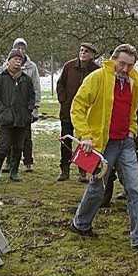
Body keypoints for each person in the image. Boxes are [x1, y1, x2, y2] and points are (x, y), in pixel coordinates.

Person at [68, 44, 138, 254]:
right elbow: (77, 106)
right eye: (122, 64)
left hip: (125, 142)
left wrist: (132, 130)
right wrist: (86, 135)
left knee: (134, 189)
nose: (125, 69)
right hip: (103, 143)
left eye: (130, 65)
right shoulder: (97, 77)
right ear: (113, 59)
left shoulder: (134, 80)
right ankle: (80, 224)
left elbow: (133, 110)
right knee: (97, 188)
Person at [0, 49, 36, 184]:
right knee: (3, 146)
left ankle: (14, 172)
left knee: (19, 146)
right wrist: (3, 111)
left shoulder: (26, 79)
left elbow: (32, 96)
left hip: (22, 119)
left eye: (20, 60)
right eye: (15, 59)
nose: (18, 62)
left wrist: (29, 110)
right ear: (8, 61)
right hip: (5, 119)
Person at [56, 43, 99, 181]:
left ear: (92, 54)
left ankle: (83, 170)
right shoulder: (69, 66)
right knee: (66, 140)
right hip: (68, 111)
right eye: (81, 50)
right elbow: (60, 84)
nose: (83, 53)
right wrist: (63, 100)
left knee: (85, 143)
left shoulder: (97, 70)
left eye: (86, 51)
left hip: (87, 114)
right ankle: (64, 169)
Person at [9, 38, 41, 172]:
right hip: (10, 107)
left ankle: (28, 161)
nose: (20, 50)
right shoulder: (7, 65)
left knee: (26, 136)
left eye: (22, 48)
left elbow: (36, 86)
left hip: (26, 107)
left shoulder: (31, 67)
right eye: (18, 48)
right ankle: (9, 162)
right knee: (9, 137)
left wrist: (35, 106)